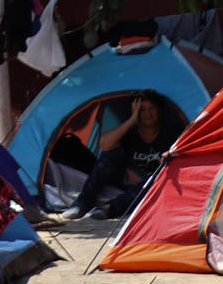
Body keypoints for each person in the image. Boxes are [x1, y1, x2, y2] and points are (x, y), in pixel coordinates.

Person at [56, 92, 178, 220]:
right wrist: (131, 121)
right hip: (126, 179)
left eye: (151, 109)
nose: (147, 114)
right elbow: (104, 144)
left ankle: (108, 209)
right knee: (110, 155)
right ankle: (82, 204)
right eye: (142, 110)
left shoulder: (170, 133)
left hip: (152, 185)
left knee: (162, 174)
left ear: (159, 110)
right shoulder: (130, 133)